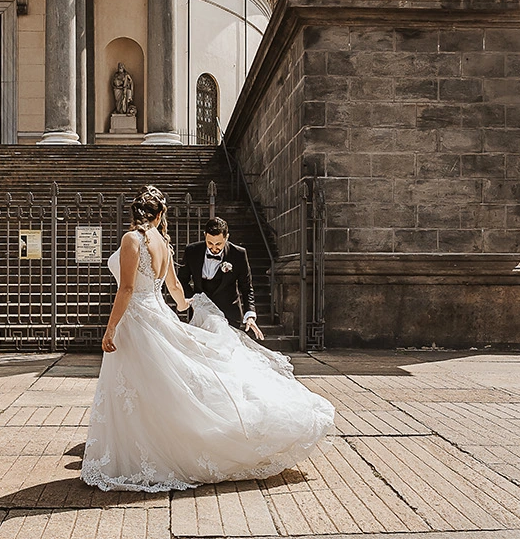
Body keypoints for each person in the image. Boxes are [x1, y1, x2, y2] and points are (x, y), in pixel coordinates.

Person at [84, 186, 333, 492]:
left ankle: (141, 455)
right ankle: (146, 452)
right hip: (156, 315)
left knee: (143, 388)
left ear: (134, 213)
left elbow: (126, 289)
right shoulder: (163, 243)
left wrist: (110, 329)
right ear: (161, 214)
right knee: (161, 387)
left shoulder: (132, 239)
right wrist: (190, 307)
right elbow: (175, 290)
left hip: (137, 322)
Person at [180, 217, 262, 341]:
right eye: (210, 243)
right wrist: (194, 301)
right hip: (201, 316)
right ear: (204, 236)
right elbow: (182, 280)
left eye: (218, 244)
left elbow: (246, 287)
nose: (214, 248)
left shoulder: (238, 254)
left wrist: (250, 314)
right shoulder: (192, 251)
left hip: (229, 315)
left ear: (226, 237)